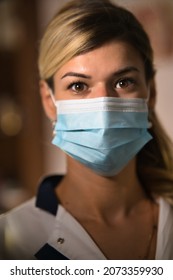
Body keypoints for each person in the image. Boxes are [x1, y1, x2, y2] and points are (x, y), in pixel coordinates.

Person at [0, 0, 173, 260]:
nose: (104, 105)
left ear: (151, 94)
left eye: (123, 82)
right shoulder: (12, 241)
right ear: (49, 102)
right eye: (79, 86)